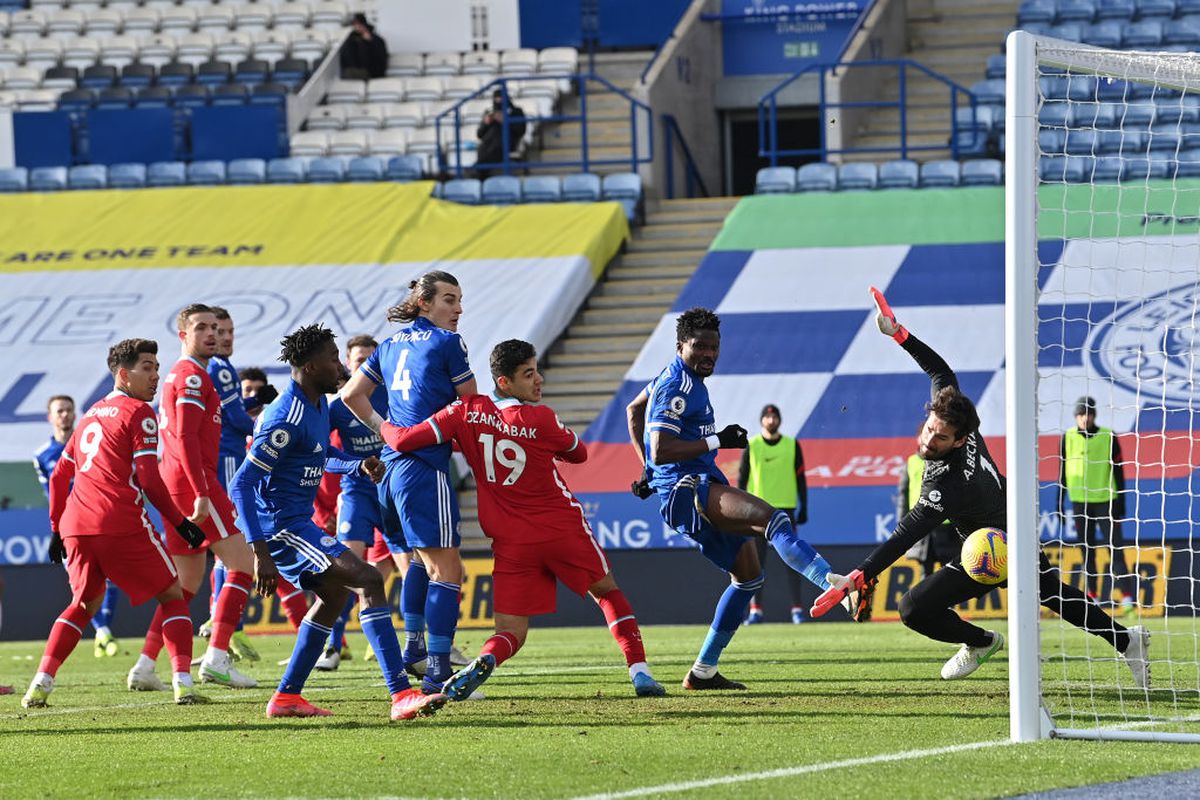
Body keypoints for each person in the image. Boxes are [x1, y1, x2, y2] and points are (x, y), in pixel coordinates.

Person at [812, 288, 1150, 690]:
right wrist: (899, 334)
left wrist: (859, 575)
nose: (928, 440)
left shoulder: (948, 484)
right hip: (991, 538)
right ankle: (1001, 641)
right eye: (929, 429)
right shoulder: (955, 415)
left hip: (1003, 544)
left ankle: (994, 642)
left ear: (959, 441)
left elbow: (906, 533)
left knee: (924, 607)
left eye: (940, 438)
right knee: (936, 605)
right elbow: (940, 372)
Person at [380, 340, 667, 699]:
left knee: (510, 632)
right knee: (607, 592)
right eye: (529, 374)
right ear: (504, 382)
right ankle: (640, 673)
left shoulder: (465, 412)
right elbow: (578, 454)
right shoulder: (541, 418)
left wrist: (383, 425)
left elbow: (405, 440)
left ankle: (485, 659)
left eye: (537, 371)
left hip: (511, 541)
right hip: (560, 528)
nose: (539, 379)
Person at [229, 323, 446, 720]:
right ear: (311, 367)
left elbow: (318, 453)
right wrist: (260, 552)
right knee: (368, 579)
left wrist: (356, 464)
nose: (341, 367)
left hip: (296, 523)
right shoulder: (286, 415)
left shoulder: (315, 406)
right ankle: (400, 693)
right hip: (281, 527)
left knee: (334, 598)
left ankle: (287, 698)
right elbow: (241, 484)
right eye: (333, 359)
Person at [626, 308, 839, 690]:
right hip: (687, 488)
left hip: (691, 483)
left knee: (748, 578)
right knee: (773, 520)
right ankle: (833, 585)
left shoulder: (675, 377)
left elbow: (634, 409)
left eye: (714, 347)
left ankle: (703, 671)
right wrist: (716, 440)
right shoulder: (678, 385)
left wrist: (646, 470)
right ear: (680, 346)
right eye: (699, 346)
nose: (708, 354)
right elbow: (661, 448)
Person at [22, 338, 208, 707]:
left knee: (82, 604)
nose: (155, 375)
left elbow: (59, 477)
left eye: (157, 368)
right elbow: (149, 480)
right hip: (119, 520)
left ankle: (41, 682)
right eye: (147, 368)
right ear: (123, 375)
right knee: (173, 595)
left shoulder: (90, 414)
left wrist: (56, 527)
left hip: (77, 525)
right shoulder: (139, 412)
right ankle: (183, 684)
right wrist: (181, 522)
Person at [340, 271, 476, 693]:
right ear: (423, 303)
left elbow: (350, 395)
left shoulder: (389, 345)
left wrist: (386, 430)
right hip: (424, 468)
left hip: (390, 471)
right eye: (449, 299)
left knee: (418, 562)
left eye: (459, 300)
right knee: (447, 571)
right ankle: (438, 671)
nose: (458, 308)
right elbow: (470, 406)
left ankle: (415, 648)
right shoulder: (448, 342)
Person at [129, 304, 257, 692]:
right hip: (194, 483)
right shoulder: (192, 376)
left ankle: (145, 665)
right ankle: (217, 658)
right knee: (243, 563)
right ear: (183, 335)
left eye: (216, 328)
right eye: (202, 327)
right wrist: (202, 491)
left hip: (176, 483)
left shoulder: (184, 374)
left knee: (184, 585)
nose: (212, 334)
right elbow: (184, 436)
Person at [201, 307, 285, 661]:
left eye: (229, 331)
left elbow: (225, 410)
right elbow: (234, 418)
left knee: (225, 551)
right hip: (228, 459)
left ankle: (222, 627)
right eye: (218, 331)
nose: (224, 338)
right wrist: (272, 430)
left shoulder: (209, 368)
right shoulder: (219, 367)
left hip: (217, 459)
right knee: (233, 547)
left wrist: (254, 402)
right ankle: (225, 627)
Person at [33, 395, 124, 658]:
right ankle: (104, 633)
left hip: (99, 519)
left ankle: (103, 633)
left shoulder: (90, 443)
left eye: (69, 410)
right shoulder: (42, 455)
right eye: (59, 411)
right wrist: (58, 527)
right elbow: (51, 492)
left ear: (75, 414)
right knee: (83, 583)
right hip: (69, 525)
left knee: (111, 578)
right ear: (50, 417)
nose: (65, 415)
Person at [317, 337, 387, 670]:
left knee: (417, 568)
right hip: (356, 492)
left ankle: (423, 645)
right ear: (348, 363)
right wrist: (354, 465)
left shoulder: (393, 396)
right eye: (360, 360)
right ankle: (333, 645)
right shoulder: (338, 406)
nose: (366, 366)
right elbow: (322, 452)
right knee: (347, 569)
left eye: (372, 360)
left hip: (392, 492)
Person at [1058, 396, 1134, 615]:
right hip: (1079, 503)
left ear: (1094, 415)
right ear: (1076, 416)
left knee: (1115, 550)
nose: (1085, 418)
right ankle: (1093, 598)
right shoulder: (1067, 437)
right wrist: (1059, 502)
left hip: (1106, 502)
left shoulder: (1108, 435)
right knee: (1087, 552)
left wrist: (1121, 501)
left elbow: (1119, 470)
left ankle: (1127, 599)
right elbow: (1062, 472)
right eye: (1081, 414)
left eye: (1088, 414)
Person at [737, 403, 811, 625]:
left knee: (793, 560)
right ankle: (755, 611)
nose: (771, 420)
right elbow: (741, 481)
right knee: (755, 564)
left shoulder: (791, 444)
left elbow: (801, 479)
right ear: (762, 420)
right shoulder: (752, 445)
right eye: (767, 417)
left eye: (774, 417)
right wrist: (739, 512)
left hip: (785, 510)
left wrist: (804, 506)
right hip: (757, 512)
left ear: (779, 420)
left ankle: (797, 610)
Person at [898, 430, 961, 580]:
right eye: (926, 436)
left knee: (950, 573)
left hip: (947, 526)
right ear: (919, 439)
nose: (930, 441)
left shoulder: (951, 460)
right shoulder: (911, 462)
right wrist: (903, 524)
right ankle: (927, 597)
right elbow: (903, 495)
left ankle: (948, 596)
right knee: (925, 575)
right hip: (921, 525)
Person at [475, 88, 527, 174]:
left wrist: (506, 121)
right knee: (482, 148)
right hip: (488, 143)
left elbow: (521, 131)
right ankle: (479, 169)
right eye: (496, 99)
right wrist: (486, 124)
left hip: (506, 142)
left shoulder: (516, 111)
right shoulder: (489, 112)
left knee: (495, 146)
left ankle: (477, 169)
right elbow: (479, 134)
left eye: (501, 99)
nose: (498, 102)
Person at [339, 13, 388, 80]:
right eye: (355, 25)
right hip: (354, 70)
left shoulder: (377, 40)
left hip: (372, 72)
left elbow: (381, 59)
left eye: (359, 24)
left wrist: (370, 42)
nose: (357, 27)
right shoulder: (350, 40)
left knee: (348, 73)